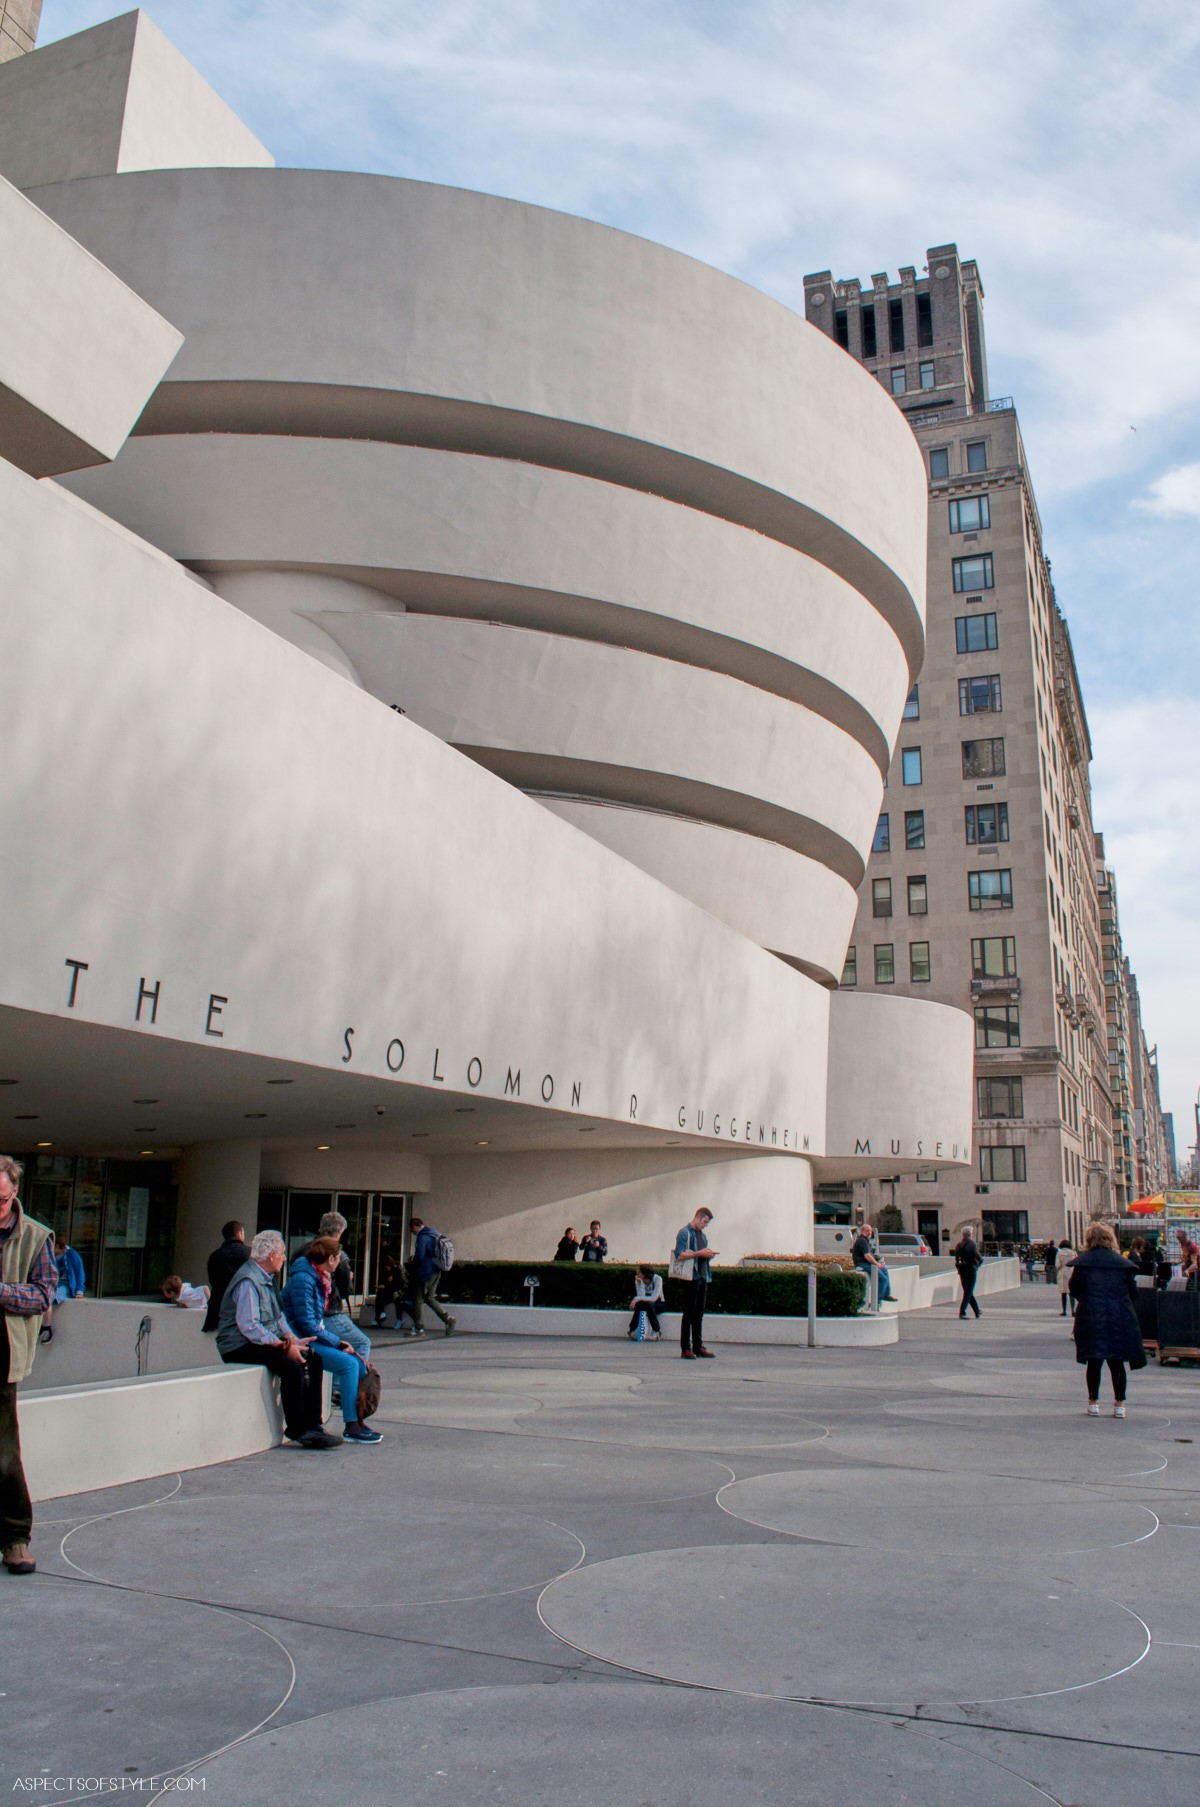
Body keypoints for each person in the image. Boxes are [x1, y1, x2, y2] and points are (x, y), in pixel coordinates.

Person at [215, 1229, 339, 1449]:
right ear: (271, 1255)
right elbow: (249, 1326)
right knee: (291, 1367)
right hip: (239, 1345)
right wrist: (283, 1346)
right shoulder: (248, 1281)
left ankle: (314, 1424)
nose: (284, 1258)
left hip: (256, 1340)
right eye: (281, 1253)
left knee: (314, 1358)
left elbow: (278, 1316)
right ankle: (297, 1428)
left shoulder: (266, 1278)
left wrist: (292, 1340)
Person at [1, 1155, 56, 1575]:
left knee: (4, 1455)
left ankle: (16, 1538)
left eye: (2, 1200)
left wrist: (1, 1292)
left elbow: (42, 1296)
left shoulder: (37, 1236)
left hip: (4, 1356)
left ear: (14, 1191)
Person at [282, 1236, 381, 1444]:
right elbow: (307, 1322)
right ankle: (352, 1425)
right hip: (302, 1339)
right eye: (339, 1258)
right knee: (348, 1365)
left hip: (307, 1336)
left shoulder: (314, 1277)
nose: (340, 1263)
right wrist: (337, 1342)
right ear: (331, 1259)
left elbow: (311, 1321)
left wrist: (335, 1341)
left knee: (356, 1364)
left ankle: (355, 1422)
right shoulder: (305, 1279)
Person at [1069, 1221, 1146, 1419]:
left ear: (1089, 1240)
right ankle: (1119, 1403)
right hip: (1119, 1317)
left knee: (1094, 1360)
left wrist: (1088, 1301)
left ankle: (1093, 1402)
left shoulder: (1083, 1263)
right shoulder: (1122, 1264)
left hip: (1092, 1316)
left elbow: (1074, 1288)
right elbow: (1133, 1293)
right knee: (1116, 1362)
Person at [317, 1212, 371, 1361]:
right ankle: (349, 1383)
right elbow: (346, 1289)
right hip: (330, 1312)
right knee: (362, 1343)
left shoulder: (304, 1251)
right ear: (339, 1233)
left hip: (312, 1313)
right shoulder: (338, 1255)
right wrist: (348, 1278)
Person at [673, 1209, 717, 1359]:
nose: (705, 1225)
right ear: (698, 1217)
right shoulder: (685, 1233)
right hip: (690, 1278)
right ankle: (685, 1348)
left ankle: (698, 1346)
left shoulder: (703, 1237)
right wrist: (699, 1253)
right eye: (704, 1222)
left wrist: (708, 1255)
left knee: (699, 1314)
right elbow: (679, 1254)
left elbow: (700, 1256)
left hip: (702, 1277)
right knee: (689, 1314)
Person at [408, 1217, 457, 1337]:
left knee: (418, 1300)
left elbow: (420, 1255)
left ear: (415, 1226)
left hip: (425, 1272)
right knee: (430, 1298)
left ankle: (419, 1328)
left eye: (411, 1229)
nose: (412, 1232)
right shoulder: (433, 1233)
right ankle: (448, 1319)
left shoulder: (423, 1236)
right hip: (436, 1270)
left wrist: (412, 1261)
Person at [202, 1220, 250, 1332]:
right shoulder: (249, 1253)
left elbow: (213, 1281)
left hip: (218, 1312)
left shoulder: (215, 1256)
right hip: (244, 1311)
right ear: (239, 1233)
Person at [851, 1222, 895, 1306]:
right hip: (861, 1265)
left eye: (870, 1231)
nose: (869, 1232)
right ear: (862, 1231)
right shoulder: (862, 1240)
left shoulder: (866, 1241)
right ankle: (876, 1302)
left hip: (866, 1264)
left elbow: (871, 1254)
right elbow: (867, 1256)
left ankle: (886, 1295)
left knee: (884, 1270)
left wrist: (879, 1260)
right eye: (867, 1231)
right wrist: (877, 1264)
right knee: (883, 1279)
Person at [628, 1266, 665, 1339]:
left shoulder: (658, 1279)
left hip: (659, 1303)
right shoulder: (638, 1280)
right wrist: (641, 1283)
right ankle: (633, 1330)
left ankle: (656, 1330)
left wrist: (635, 1299)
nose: (637, 1274)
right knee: (640, 1305)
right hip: (646, 1304)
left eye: (639, 1272)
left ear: (644, 1274)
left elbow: (654, 1298)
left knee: (647, 1304)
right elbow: (641, 1296)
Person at [371, 1252, 406, 1328]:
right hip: (388, 1291)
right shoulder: (385, 1272)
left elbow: (401, 1283)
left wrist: (391, 1282)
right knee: (380, 1295)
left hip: (396, 1291)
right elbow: (383, 1281)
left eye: (387, 1267)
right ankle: (379, 1316)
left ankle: (398, 1319)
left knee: (397, 1299)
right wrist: (383, 1285)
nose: (386, 1269)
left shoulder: (398, 1270)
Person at [953, 1230, 982, 1320]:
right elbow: (980, 1258)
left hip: (962, 1271)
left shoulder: (958, 1245)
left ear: (963, 1235)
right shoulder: (972, 1245)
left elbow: (956, 1260)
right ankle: (962, 1312)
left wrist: (959, 1268)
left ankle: (977, 1311)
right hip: (971, 1271)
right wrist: (976, 1267)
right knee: (968, 1292)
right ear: (970, 1235)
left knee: (968, 1292)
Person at [52, 1234, 86, 1302]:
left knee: (55, 1295)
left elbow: (80, 1273)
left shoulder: (72, 1255)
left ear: (57, 1246)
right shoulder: (52, 1255)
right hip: (54, 1283)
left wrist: (79, 1292)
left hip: (66, 1284)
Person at [1055, 1239, 1076, 1317]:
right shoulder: (1073, 1253)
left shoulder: (1059, 1253)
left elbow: (1057, 1265)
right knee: (1071, 1292)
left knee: (1063, 1292)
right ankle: (1073, 1310)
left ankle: (1064, 1310)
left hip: (1062, 1272)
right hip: (1071, 1272)